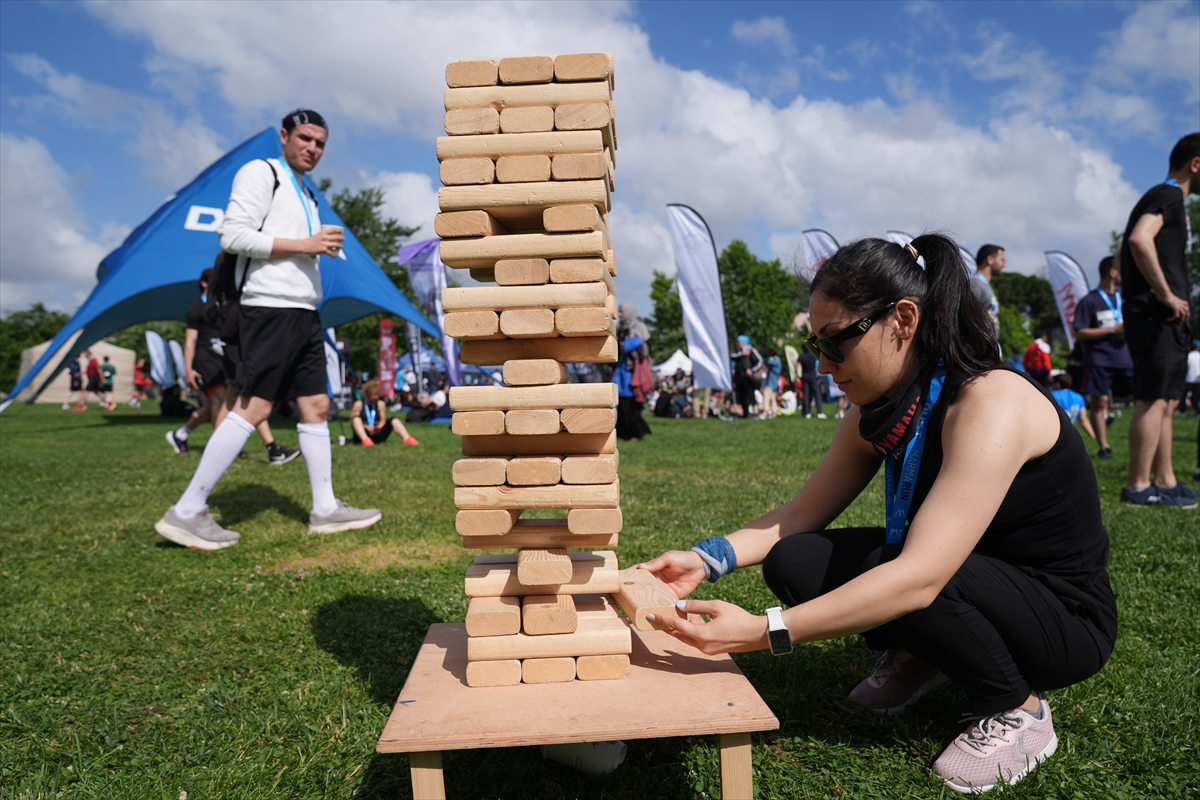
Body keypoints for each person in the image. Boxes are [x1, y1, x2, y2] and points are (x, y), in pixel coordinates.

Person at [642, 234, 1117, 794]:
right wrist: (707, 558)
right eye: (813, 344)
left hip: (1063, 618)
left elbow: (920, 576)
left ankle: (1018, 707)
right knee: (796, 561)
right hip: (960, 576)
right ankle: (929, 652)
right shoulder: (881, 405)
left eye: (835, 342)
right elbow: (799, 515)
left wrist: (764, 631)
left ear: (903, 320)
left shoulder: (990, 402)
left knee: (911, 572)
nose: (821, 366)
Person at [154, 109, 380, 550]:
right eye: (305, 138)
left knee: (316, 405)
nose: (312, 148)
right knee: (254, 407)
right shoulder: (262, 173)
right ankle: (186, 511)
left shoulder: (306, 192)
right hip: (270, 309)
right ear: (284, 136)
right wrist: (306, 244)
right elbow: (232, 236)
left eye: (320, 143)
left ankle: (326, 508)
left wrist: (316, 249)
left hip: (303, 312)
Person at [1119, 132, 1200, 508]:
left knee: (1167, 400)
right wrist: (1166, 294)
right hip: (1154, 313)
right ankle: (1138, 485)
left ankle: (1165, 482)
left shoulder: (1170, 200)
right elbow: (1139, 239)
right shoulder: (1167, 194)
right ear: (1195, 164)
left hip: (1165, 319)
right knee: (1153, 399)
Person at [165, 268, 299, 467]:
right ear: (204, 283)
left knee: (221, 403)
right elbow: (190, 342)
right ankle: (241, 449)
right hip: (205, 361)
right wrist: (188, 369)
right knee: (225, 398)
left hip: (225, 359)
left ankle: (182, 434)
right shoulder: (196, 310)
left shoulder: (224, 306)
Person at [1072, 256, 1134, 460]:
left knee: (1141, 399)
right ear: (1112, 272)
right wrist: (1112, 330)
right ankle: (1104, 447)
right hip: (1099, 360)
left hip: (1126, 359)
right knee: (1099, 402)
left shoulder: (1125, 300)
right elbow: (1080, 333)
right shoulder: (1089, 301)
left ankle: (1142, 441)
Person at [614, 303, 653, 440]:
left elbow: (642, 344)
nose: (619, 315)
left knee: (631, 406)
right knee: (622, 405)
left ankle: (639, 432)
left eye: (621, 312)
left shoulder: (639, 327)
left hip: (633, 372)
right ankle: (624, 434)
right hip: (623, 370)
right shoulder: (623, 328)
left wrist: (625, 345)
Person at [351, 379, 419, 446]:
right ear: (367, 395)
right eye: (372, 400)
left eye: (376, 399)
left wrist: (378, 427)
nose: (374, 401)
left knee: (394, 420)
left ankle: (407, 438)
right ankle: (365, 440)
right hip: (363, 433)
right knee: (356, 419)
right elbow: (353, 422)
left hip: (377, 433)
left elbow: (382, 421)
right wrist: (366, 427)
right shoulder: (359, 404)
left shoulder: (380, 404)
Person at [972, 244, 1005, 340]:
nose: (1004, 265)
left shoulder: (984, 286)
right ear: (990, 259)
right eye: (1002, 260)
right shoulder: (975, 285)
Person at [1050, 373, 1096, 440]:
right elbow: (1083, 419)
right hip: (1069, 432)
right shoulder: (1079, 397)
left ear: (1057, 384)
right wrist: (1094, 437)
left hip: (1054, 432)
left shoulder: (1052, 395)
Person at [797, 347, 825, 419]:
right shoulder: (813, 355)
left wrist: (798, 375)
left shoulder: (802, 356)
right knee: (817, 394)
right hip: (813, 376)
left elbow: (796, 366)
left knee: (806, 395)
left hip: (805, 376)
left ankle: (807, 413)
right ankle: (820, 412)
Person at [762, 348, 782, 419]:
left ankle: (765, 412)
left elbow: (769, 362)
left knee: (766, 397)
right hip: (774, 383)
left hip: (771, 383)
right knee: (773, 398)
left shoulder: (776, 361)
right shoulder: (778, 361)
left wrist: (770, 357)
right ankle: (774, 413)